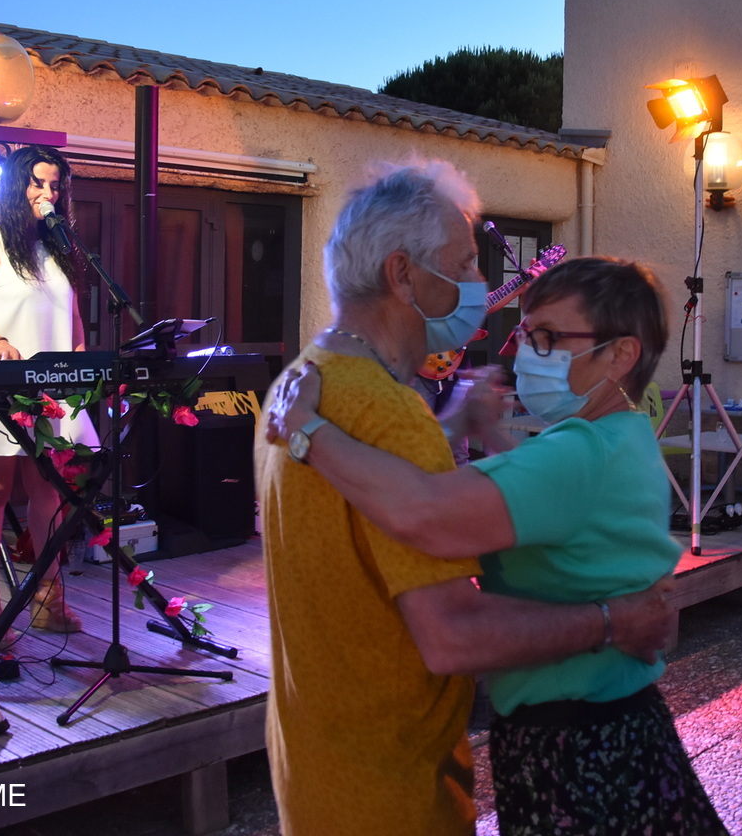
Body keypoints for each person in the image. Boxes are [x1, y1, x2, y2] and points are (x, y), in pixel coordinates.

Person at [254, 163, 675, 836]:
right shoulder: (388, 416)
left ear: (619, 354)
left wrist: (310, 431)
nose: (480, 285)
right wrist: (611, 621)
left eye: (546, 339)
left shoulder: (299, 385)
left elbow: (449, 502)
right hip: (392, 792)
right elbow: (451, 623)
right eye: (464, 264)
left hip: (316, 770)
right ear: (402, 274)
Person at [0, 145, 98, 645]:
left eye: (55, 185)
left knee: (49, 491)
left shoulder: (60, 247)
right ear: (17, 186)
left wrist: (81, 362)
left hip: (52, 388)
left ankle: (47, 595)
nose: (47, 192)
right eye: (38, 183)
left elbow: (72, 321)